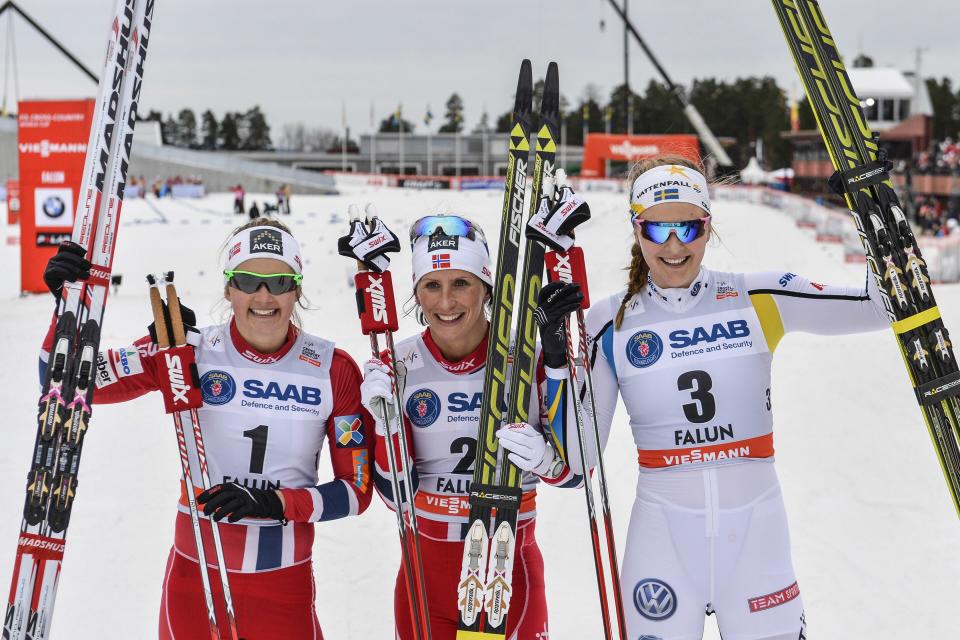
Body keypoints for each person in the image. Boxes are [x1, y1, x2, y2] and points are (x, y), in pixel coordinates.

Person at [562, 155, 889, 639]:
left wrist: (875, 211)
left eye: (688, 229)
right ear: (637, 230)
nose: (674, 246)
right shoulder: (609, 322)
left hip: (757, 544)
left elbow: (882, 306)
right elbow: (578, 456)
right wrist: (552, 356)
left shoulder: (759, 297)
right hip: (662, 549)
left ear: (708, 227)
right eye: (656, 231)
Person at [41, 218, 373, 639]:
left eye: (280, 282)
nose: (264, 296)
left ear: (297, 290)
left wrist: (276, 504)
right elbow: (63, 381)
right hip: (194, 581)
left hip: (283, 588)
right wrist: (69, 311)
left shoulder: (333, 368)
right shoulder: (184, 349)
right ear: (228, 289)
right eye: (248, 281)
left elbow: (355, 492)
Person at [359, 213, 583, 639]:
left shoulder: (528, 358)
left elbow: (576, 474)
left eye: (461, 283)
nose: (446, 303)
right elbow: (395, 499)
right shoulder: (396, 367)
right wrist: (387, 427)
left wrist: (543, 458)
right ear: (417, 292)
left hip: (506, 570)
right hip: (426, 575)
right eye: (432, 285)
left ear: (486, 287)